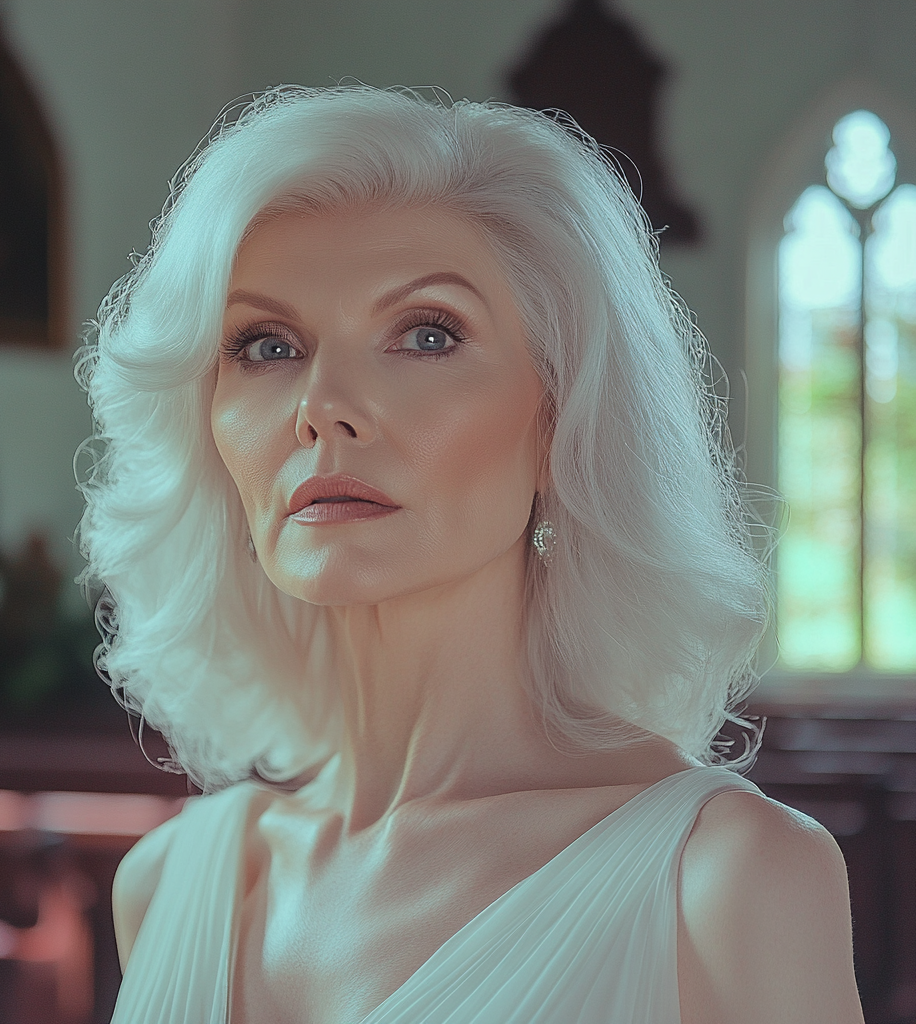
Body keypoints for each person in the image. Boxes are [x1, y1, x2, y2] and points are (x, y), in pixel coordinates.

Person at [76, 85, 865, 1023]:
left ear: (560, 421)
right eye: (266, 344)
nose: (322, 404)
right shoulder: (164, 886)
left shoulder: (730, 880)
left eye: (427, 334)